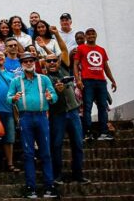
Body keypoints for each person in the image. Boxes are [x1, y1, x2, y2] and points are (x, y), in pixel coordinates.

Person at [7, 52, 59, 199]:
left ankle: (50, 186)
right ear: (21, 64)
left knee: (46, 152)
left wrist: (51, 97)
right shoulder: (16, 81)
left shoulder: (44, 79)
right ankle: (31, 187)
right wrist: (13, 98)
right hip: (25, 118)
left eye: (31, 61)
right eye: (25, 61)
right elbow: (8, 97)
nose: (29, 63)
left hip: (42, 117)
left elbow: (54, 96)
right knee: (28, 153)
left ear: (35, 62)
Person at [45, 36, 90, 186]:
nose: (52, 63)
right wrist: (56, 91)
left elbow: (64, 49)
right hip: (57, 115)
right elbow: (49, 98)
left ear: (58, 62)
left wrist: (56, 34)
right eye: (48, 61)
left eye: (54, 60)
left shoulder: (65, 68)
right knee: (56, 145)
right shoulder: (44, 79)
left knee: (78, 144)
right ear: (44, 64)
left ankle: (78, 174)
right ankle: (57, 175)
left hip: (73, 112)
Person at [74, 28, 117, 141]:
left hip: (101, 81)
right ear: (85, 37)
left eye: (93, 34)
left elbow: (106, 67)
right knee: (87, 107)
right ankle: (88, 133)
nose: (91, 36)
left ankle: (104, 132)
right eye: (88, 34)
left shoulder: (101, 50)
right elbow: (75, 64)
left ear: (96, 35)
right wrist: (78, 80)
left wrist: (112, 80)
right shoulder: (81, 48)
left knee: (102, 107)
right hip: (87, 81)